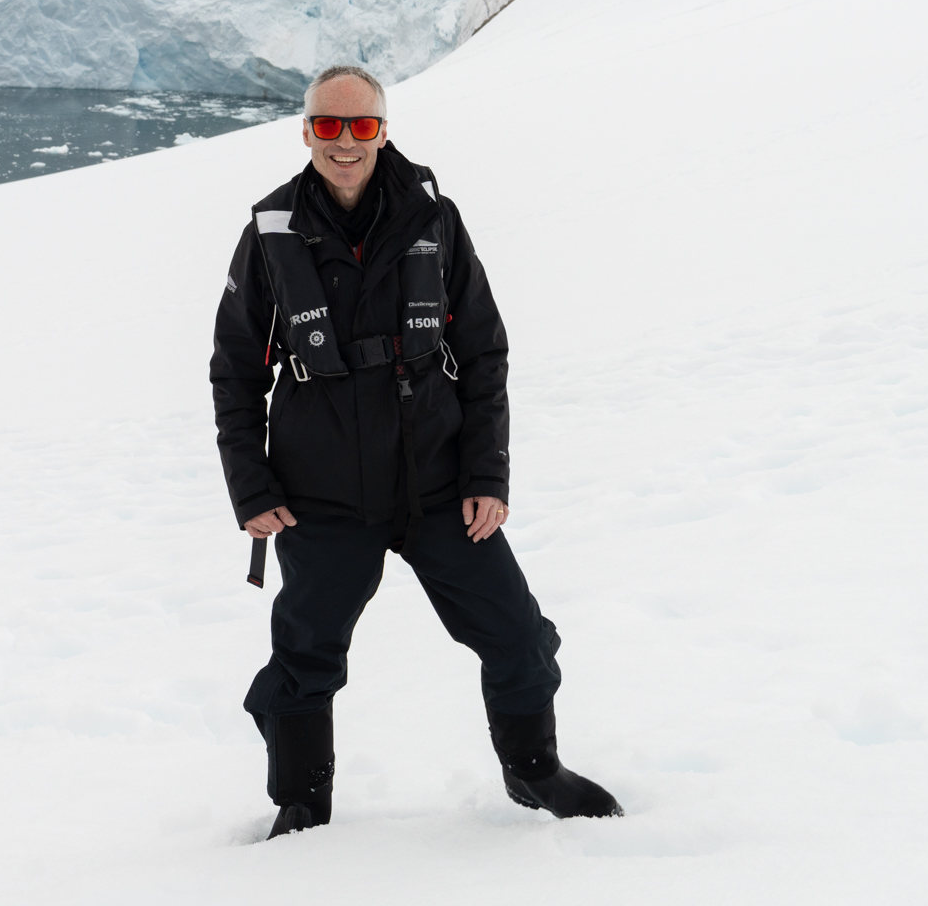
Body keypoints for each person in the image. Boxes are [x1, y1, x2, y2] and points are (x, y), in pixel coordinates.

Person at [210, 64, 622, 839]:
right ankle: (302, 801)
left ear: (383, 131)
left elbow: (484, 351)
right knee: (304, 657)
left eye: (361, 126)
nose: (344, 142)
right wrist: (251, 487)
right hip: (320, 494)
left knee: (517, 634)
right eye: (328, 126)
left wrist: (487, 472)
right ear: (306, 132)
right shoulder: (270, 232)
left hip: (438, 483)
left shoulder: (434, 217)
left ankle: (534, 769)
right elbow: (235, 370)